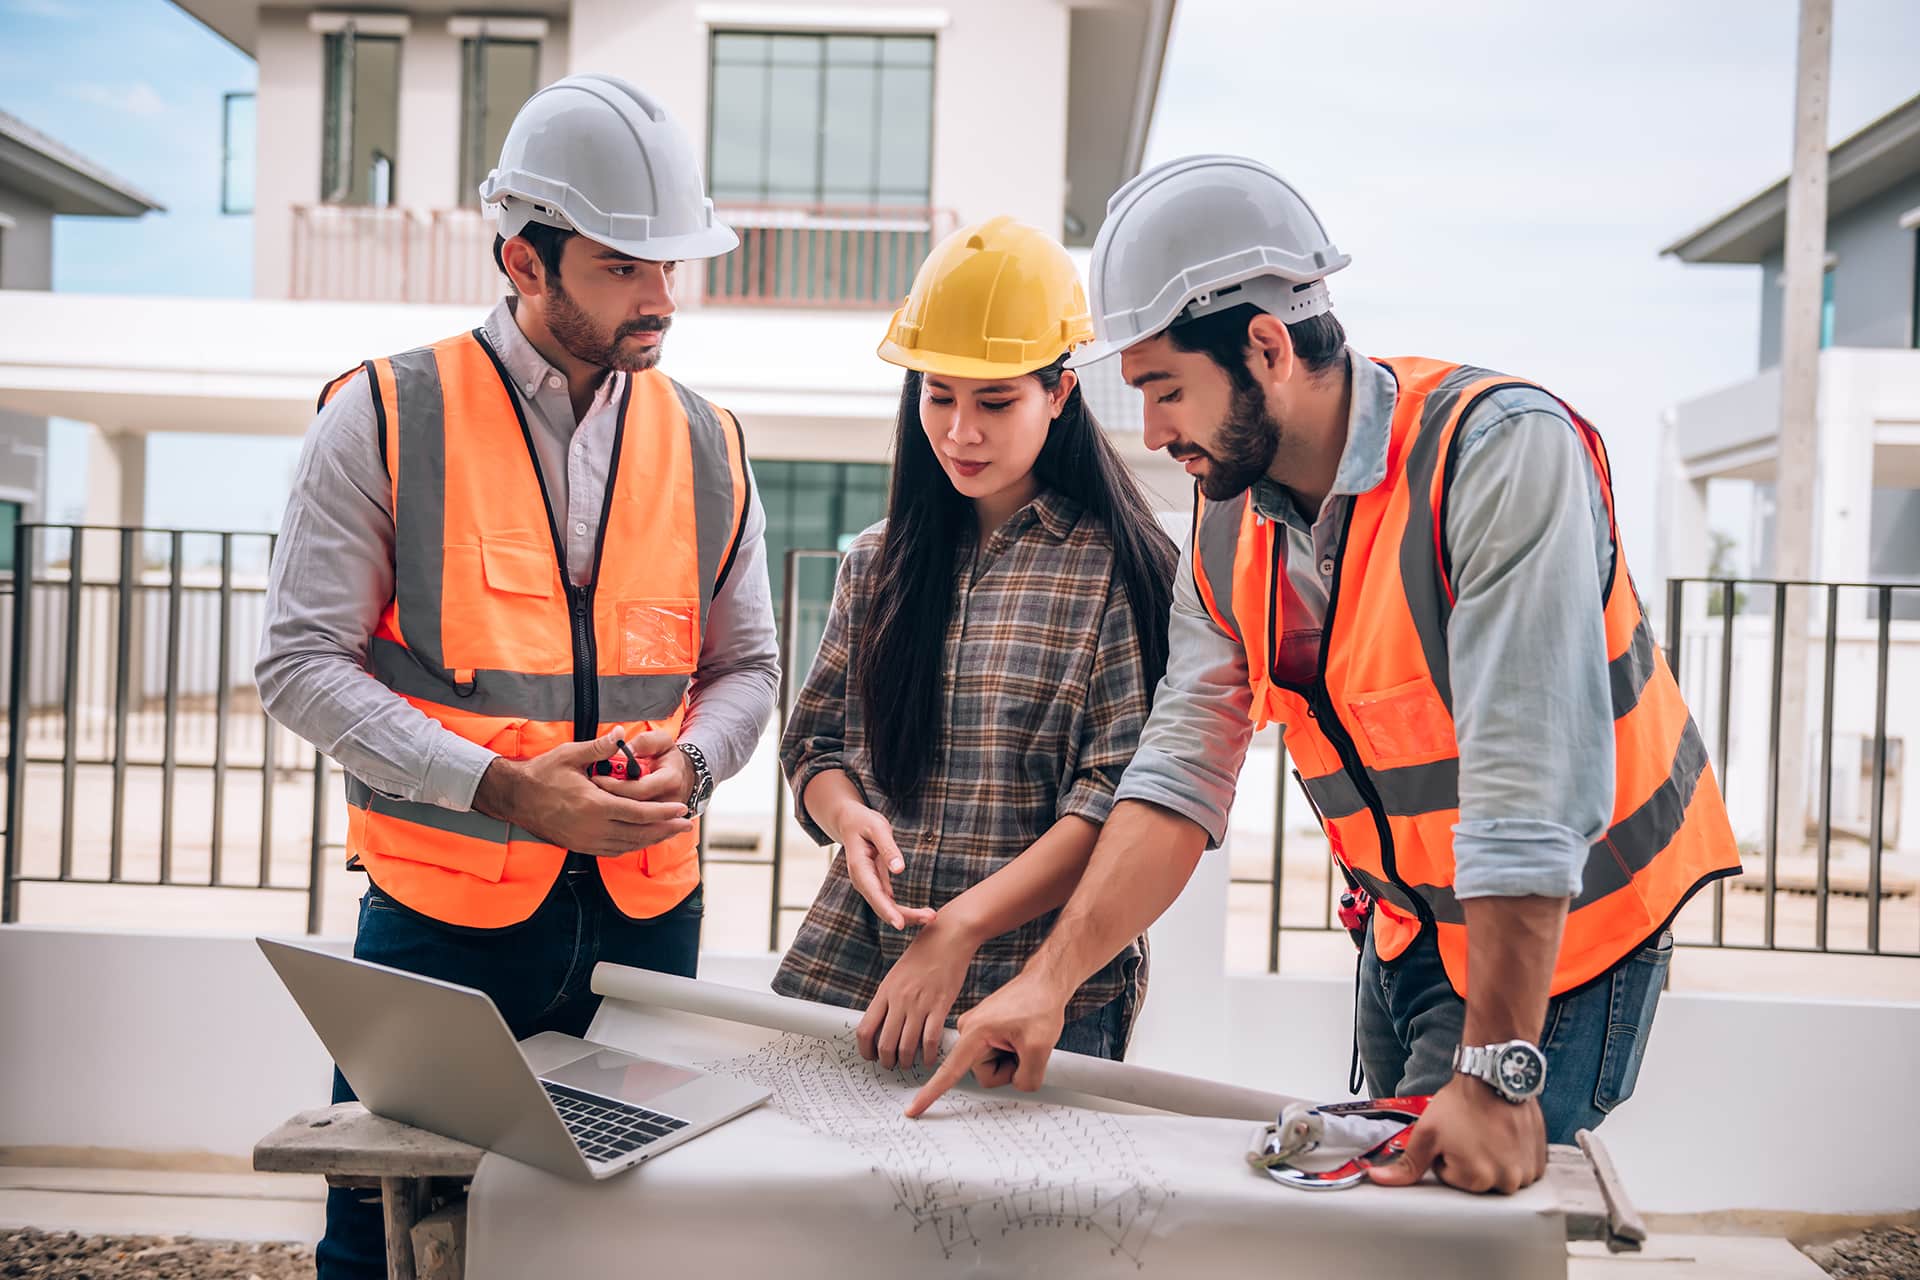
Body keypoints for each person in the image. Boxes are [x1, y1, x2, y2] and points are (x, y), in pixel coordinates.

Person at [909, 156, 1741, 1196]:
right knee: (1378, 1219)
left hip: (1562, 936)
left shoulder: (1497, 454)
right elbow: (1176, 775)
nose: (1155, 433)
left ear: (1266, 345)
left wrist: (1493, 1072)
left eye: (1168, 390)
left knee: (1451, 1226)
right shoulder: (1227, 518)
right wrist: (1046, 982)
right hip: (1404, 934)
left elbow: (1526, 786)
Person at [256, 75, 778, 1277]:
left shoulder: (709, 439)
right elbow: (296, 663)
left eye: (669, 265)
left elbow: (749, 667)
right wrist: (507, 791)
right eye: (622, 266)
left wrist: (693, 763)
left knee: (615, 1236)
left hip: (650, 917)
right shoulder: (383, 415)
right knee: (386, 1234)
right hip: (441, 925)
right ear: (524, 260)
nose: (660, 297)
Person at [771, 216, 1178, 1070]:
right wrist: (850, 821)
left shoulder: (1120, 573)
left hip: (1036, 994)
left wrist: (961, 928)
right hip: (862, 970)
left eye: (996, 402)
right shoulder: (877, 562)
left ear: (1061, 394)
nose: (960, 433)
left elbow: (1112, 803)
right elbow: (814, 745)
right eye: (938, 396)